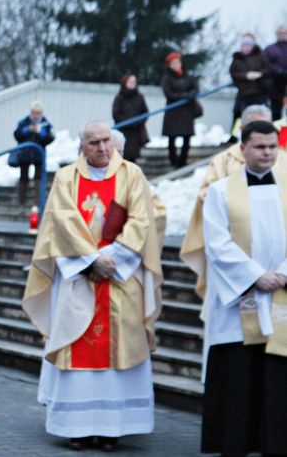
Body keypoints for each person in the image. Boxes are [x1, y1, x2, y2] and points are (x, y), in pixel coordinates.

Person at [23, 120, 162, 452]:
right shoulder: (66, 177)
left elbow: (142, 220)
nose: (101, 148)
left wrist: (112, 258)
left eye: (105, 142)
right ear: (82, 146)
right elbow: (60, 220)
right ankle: (78, 427)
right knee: (76, 346)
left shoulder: (132, 174)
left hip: (120, 277)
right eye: (93, 142)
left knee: (121, 351)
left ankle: (113, 428)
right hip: (79, 278)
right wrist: (89, 261)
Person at [201, 120, 287, 455]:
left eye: (272, 146)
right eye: (260, 146)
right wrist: (255, 276)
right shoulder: (221, 191)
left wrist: (281, 273)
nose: (267, 153)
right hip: (239, 302)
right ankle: (233, 443)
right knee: (239, 377)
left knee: (277, 377)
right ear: (243, 149)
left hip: (282, 296)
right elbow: (217, 244)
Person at [180, 105, 278, 300]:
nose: (266, 150)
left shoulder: (280, 159)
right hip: (236, 246)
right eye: (254, 125)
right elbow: (207, 195)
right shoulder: (223, 161)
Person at [111, 129, 166, 249]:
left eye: (120, 153)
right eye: (113, 153)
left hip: (127, 243)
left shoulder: (132, 173)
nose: (117, 158)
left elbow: (156, 210)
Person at [13, 100, 55, 205]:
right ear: (30, 112)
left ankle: (38, 204)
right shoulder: (23, 122)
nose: (36, 115)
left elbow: (50, 138)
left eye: (38, 113)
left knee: (38, 178)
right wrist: (27, 130)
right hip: (25, 155)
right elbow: (16, 135)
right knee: (23, 178)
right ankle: (21, 202)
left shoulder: (45, 124)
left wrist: (40, 133)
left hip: (39, 155)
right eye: (34, 113)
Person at [161, 52, 199, 168]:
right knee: (172, 138)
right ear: (169, 65)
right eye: (173, 63)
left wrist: (191, 94)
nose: (176, 65)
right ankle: (174, 161)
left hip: (187, 112)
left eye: (177, 62)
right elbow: (168, 93)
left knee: (187, 138)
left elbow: (195, 88)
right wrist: (183, 96)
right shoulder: (166, 78)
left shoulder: (188, 76)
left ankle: (183, 161)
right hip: (173, 112)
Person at [230, 32, 272, 112]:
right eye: (244, 45)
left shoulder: (261, 56)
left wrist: (259, 74)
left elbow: (269, 69)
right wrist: (246, 75)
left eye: (249, 45)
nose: (246, 47)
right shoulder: (237, 58)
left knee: (259, 113)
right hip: (243, 93)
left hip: (259, 92)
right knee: (241, 114)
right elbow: (233, 73)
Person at [112, 74, 149, 163]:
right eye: (130, 81)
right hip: (123, 131)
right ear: (125, 83)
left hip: (136, 132)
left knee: (133, 156)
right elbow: (116, 113)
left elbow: (145, 112)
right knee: (123, 154)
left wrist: (138, 121)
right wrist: (128, 121)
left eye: (134, 81)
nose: (133, 83)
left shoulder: (140, 97)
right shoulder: (119, 97)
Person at [264, 26, 287, 121]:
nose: (283, 35)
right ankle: (278, 135)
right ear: (277, 34)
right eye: (281, 33)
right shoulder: (270, 49)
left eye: (285, 32)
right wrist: (278, 70)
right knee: (276, 114)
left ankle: (284, 136)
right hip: (276, 87)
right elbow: (265, 63)